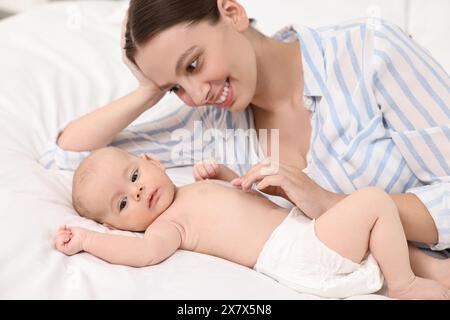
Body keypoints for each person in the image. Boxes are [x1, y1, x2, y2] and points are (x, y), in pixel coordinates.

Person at [51, 0, 450, 253]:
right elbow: (72, 157)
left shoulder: (369, 52)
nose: (196, 92)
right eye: (176, 87)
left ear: (232, 12)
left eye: (193, 64)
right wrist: (148, 89)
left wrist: (326, 203)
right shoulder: (212, 123)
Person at [54, 146, 450, 299]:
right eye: (122, 204)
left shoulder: (193, 189)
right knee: (373, 202)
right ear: (120, 226)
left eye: (134, 177)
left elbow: (244, 203)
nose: (137, 193)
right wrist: (89, 240)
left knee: (391, 242)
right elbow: (142, 253)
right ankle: (404, 287)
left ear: (152, 163)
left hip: (300, 231)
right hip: (295, 251)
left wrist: (227, 175)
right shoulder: (167, 227)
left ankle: (433, 276)